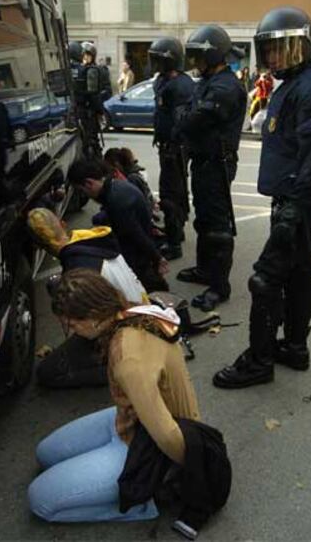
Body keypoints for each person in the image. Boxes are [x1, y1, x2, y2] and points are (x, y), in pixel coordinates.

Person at [213, 6, 311, 389]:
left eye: (282, 49)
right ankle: (294, 346)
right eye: (268, 50)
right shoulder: (297, 81)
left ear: (302, 45)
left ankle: (258, 362)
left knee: (265, 279)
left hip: (301, 200)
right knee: (298, 271)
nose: (273, 57)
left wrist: (292, 214)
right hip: (294, 199)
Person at [28, 268, 200, 523]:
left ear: (94, 316)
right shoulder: (132, 311)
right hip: (130, 418)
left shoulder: (128, 358)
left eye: (73, 323)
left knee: (40, 500)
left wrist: (194, 468)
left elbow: (165, 431)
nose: (72, 330)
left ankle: (143, 503)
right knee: (46, 454)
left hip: (148, 442)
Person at [27, 208, 148, 388]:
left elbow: (92, 325)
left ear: (38, 246)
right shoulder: (94, 241)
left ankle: (120, 371)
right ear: (63, 224)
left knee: (47, 373)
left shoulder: (77, 269)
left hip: (125, 330)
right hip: (141, 313)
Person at [175, 24, 247, 312]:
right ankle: (206, 271)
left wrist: (185, 116)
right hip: (203, 162)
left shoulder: (225, 86)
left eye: (198, 57)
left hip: (217, 164)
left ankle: (220, 286)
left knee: (218, 227)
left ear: (215, 55)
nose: (194, 63)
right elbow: (188, 114)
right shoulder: (208, 82)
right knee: (204, 220)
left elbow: (191, 120)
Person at [68, 158, 169, 292]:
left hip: (137, 257)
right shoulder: (115, 186)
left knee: (144, 289)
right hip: (137, 244)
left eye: (81, 190)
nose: (84, 195)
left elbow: (136, 235)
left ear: (89, 183)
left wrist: (157, 258)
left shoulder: (117, 202)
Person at [148, 36, 194, 261]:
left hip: (175, 148)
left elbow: (182, 120)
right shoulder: (164, 80)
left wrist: (174, 144)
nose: (154, 65)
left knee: (171, 194)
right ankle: (177, 231)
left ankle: (174, 243)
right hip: (167, 146)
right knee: (175, 191)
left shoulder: (181, 85)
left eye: (158, 60)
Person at [69, 41, 103, 158]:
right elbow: (94, 94)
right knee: (91, 142)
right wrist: (99, 110)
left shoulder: (64, 70)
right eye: (84, 54)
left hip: (70, 112)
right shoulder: (88, 71)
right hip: (85, 113)